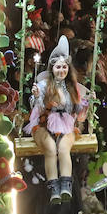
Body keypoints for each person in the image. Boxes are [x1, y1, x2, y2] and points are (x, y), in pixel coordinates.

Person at [25, 35, 90, 204]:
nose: (61, 70)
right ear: (52, 68)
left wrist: (86, 103)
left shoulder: (72, 88)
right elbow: (36, 107)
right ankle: (53, 186)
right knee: (50, 149)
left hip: (66, 125)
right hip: (46, 124)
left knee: (63, 149)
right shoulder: (44, 85)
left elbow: (78, 113)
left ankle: (66, 185)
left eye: (64, 67)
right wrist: (37, 96)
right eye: (58, 67)